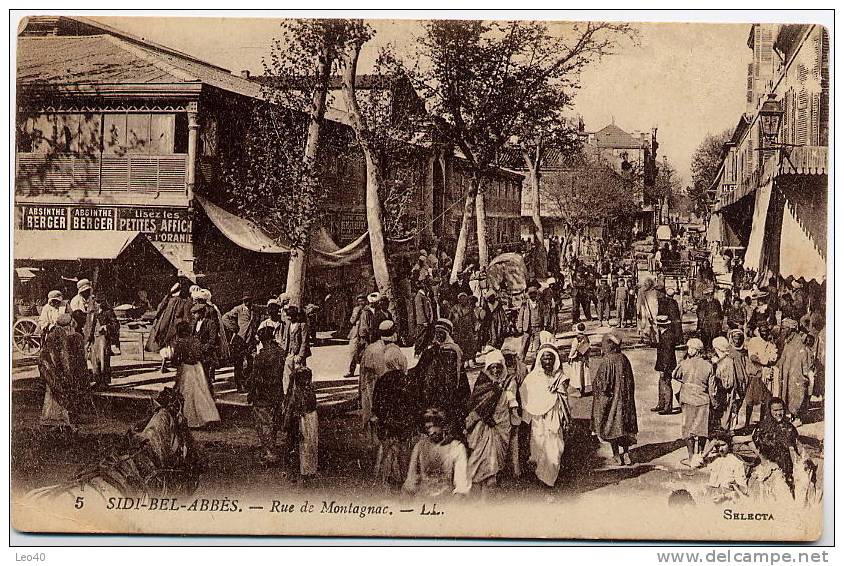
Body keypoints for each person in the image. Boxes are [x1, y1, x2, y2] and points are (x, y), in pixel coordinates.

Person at [519, 337, 571, 487]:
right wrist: (529, 416)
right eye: (545, 358)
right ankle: (543, 480)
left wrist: (559, 390)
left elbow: (564, 400)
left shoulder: (560, 378)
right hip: (538, 421)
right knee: (539, 449)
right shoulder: (532, 378)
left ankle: (550, 478)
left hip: (554, 418)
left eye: (550, 358)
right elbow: (525, 398)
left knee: (556, 449)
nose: (547, 361)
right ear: (540, 360)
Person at [372, 341, 419, 487]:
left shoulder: (382, 380)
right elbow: (414, 404)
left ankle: (387, 481)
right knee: (404, 455)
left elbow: (376, 405)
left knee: (387, 455)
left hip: (387, 426)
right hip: (404, 426)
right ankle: (404, 480)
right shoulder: (407, 379)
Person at [413, 318, 469, 439]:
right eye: (436, 332)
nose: (438, 335)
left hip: (449, 392)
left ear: (447, 334)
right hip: (435, 392)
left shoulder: (453, 350)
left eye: (441, 333)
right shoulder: (431, 350)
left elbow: (456, 375)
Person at [465, 349, 513, 490]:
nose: (496, 370)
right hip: (484, 426)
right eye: (493, 367)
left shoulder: (507, 382)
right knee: (482, 453)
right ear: (488, 368)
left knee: (496, 454)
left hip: (501, 423)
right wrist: (486, 417)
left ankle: (493, 476)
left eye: (498, 367)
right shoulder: (483, 383)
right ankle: (481, 476)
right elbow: (476, 404)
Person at [161, 321, 220, 429]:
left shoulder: (180, 342)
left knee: (188, 394)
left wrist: (170, 358)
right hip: (198, 367)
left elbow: (177, 360)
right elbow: (199, 354)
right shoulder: (195, 340)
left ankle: (190, 420)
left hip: (187, 368)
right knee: (201, 392)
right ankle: (208, 416)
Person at [38, 312, 92, 429]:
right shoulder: (65, 336)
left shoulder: (56, 334)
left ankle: (51, 417)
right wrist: (68, 373)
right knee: (59, 391)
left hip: (50, 367)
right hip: (52, 367)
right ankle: (59, 418)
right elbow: (63, 357)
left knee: (53, 392)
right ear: (69, 325)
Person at [591, 333, 638, 466]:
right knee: (625, 427)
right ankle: (626, 453)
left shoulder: (607, 361)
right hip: (625, 400)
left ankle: (617, 455)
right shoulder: (624, 359)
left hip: (612, 402)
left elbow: (603, 385)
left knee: (612, 427)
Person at [403, 408, 471, 497]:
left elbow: (461, 485)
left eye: (435, 425)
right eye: (428, 427)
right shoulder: (420, 447)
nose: (432, 431)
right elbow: (411, 481)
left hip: (447, 499)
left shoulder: (457, 447)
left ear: (444, 426)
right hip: (422, 499)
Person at [673, 338, 715, 467]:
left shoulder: (684, 363)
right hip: (703, 399)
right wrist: (714, 402)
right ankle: (700, 455)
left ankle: (691, 457)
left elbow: (675, 375)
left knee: (687, 428)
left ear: (695, 350)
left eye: (690, 348)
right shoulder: (708, 366)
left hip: (687, 398)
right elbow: (712, 387)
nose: (688, 350)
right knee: (702, 429)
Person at [360, 320, 403, 448]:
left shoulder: (371, 349)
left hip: (373, 387)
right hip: (386, 389)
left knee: (373, 415)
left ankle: (373, 443)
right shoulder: (395, 350)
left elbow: (363, 373)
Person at [248, 326, 286, 464]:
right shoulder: (280, 352)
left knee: (263, 423)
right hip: (276, 391)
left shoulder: (261, 357)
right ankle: (271, 448)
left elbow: (255, 378)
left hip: (262, 393)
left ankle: (269, 452)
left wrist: (251, 393)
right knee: (273, 422)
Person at [752, 398, 800, 492]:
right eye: (775, 410)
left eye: (781, 409)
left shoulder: (789, 427)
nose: (778, 413)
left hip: (786, 462)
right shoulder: (762, 427)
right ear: (770, 411)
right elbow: (756, 445)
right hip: (769, 462)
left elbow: (794, 446)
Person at [146, 281, 193, 373]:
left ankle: (164, 364)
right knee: (172, 345)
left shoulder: (167, 300)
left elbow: (159, 310)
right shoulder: (179, 301)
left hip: (163, 325)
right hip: (172, 327)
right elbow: (180, 314)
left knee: (165, 345)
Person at [282, 365, 318, 481]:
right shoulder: (303, 392)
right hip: (304, 419)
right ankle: (306, 470)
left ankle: (306, 470)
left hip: (306, 418)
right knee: (306, 444)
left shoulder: (298, 392)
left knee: (307, 444)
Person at [501, 337, 529, 478]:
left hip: (519, 403)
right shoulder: (498, 367)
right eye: (505, 356)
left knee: (518, 434)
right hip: (503, 405)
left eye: (510, 356)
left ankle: (517, 466)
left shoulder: (522, 368)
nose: (508, 359)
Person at [775, 319, 812, 426]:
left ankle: (797, 417)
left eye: (784, 328)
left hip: (797, 374)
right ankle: (790, 415)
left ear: (790, 329)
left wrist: (804, 374)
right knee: (786, 393)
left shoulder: (799, 342)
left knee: (796, 394)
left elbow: (805, 359)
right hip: (787, 373)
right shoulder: (788, 341)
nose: (782, 331)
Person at [223, 294, 258, 393]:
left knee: (250, 363)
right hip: (240, 339)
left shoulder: (254, 309)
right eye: (245, 300)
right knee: (238, 363)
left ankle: (247, 383)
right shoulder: (238, 309)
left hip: (250, 340)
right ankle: (239, 385)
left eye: (249, 300)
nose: (247, 302)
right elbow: (224, 317)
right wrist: (234, 328)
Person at [743, 335, 777, 429]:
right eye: (762, 330)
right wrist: (764, 361)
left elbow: (774, 358)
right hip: (756, 374)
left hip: (767, 373)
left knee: (765, 399)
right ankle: (747, 424)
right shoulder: (754, 341)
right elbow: (752, 357)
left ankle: (762, 423)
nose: (764, 333)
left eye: (766, 331)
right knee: (750, 400)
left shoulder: (771, 343)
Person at [711, 336, 742, 433]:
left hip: (725, 392)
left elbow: (728, 383)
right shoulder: (724, 360)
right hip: (725, 391)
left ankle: (726, 432)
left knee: (726, 415)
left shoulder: (726, 362)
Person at [705, 434, 749, 503]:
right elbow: (695, 465)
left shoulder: (736, 462)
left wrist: (725, 496)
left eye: (723, 445)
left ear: (729, 444)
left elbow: (743, 489)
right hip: (711, 496)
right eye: (717, 446)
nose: (720, 449)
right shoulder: (714, 459)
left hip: (727, 500)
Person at [89, 298, 120, 388]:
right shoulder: (94, 312)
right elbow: (92, 327)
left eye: (100, 302)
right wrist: (90, 339)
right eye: (97, 302)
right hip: (95, 338)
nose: (98, 304)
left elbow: (116, 325)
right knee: (94, 360)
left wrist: (106, 326)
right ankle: (97, 380)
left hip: (103, 338)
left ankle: (104, 382)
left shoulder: (108, 312)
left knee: (104, 359)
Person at [192, 303, 219, 396]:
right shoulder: (195, 323)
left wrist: (204, 348)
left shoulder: (210, 323)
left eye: (195, 313)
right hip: (196, 353)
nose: (193, 315)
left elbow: (213, 340)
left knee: (205, 375)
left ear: (201, 313)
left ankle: (209, 394)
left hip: (206, 354)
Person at [653, 315, 678, 415]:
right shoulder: (666, 334)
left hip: (666, 365)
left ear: (659, 326)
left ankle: (667, 407)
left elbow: (667, 354)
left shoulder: (667, 336)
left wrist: (664, 368)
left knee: (666, 385)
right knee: (662, 384)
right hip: (665, 364)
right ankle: (661, 404)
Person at [283, 305, 311, 394]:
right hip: (289, 353)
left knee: (300, 374)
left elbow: (304, 342)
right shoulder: (288, 325)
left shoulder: (302, 325)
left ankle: (300, 394)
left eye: (290, 316)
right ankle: (287, 393)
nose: (288, 318)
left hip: (298, 354)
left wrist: (301, 355)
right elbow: (286, 339)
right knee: (287, 373)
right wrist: (285, 353)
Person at [450, 292, 478, 369]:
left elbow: (474, 318)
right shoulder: (454, 308)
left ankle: (470, 360)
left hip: (468, 329)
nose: (463, 300)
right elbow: (450, 319)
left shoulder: (469, 308)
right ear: (459, 300)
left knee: (470, 345)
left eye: (464, 299)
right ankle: (464, 361)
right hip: (459, 330)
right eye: (461, 299)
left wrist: (475, 326)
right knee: (462, 345)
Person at [518, 285, 544, 363]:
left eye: (534, 294)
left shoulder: (540, 303)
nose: (533, 296)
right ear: (529, 295)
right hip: (528, 327)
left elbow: (544, 314)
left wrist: (545, 324)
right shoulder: (525, 304)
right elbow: (520, 315)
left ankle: (537, 361)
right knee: (525, 344)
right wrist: (520, 326)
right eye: (531, 294)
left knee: (537, 345)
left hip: (538, 327)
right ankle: (521, 360)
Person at [566, 323, 591, 397]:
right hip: (584, 359)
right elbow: (588, 348)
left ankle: (579, 390)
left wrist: (570, 356)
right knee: (584, 373)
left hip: (577, 359)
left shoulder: (576, 339)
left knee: (577, 374)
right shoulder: (586, 338)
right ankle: (583, 389)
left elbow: (573, 349)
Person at [345, 294, 367, 377]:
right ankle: (351, 371)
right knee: (353, 352)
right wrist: (357, 313)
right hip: (355, 333)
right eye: (359, 301)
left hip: (365, 334)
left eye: (363, 301)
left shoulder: (368, 310)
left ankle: (364, 372)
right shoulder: (356, 309)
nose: (361, 303)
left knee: (364, 353)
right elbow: (352, 321)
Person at [413, 282, 434, 356]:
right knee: (421, 337)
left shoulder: (424, 296)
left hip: (427, 321)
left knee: (425, 338)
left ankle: (423, 352)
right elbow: (420, 310)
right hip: (423, 322)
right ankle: (417, 352)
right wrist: (424, 321)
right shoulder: (419, 296)